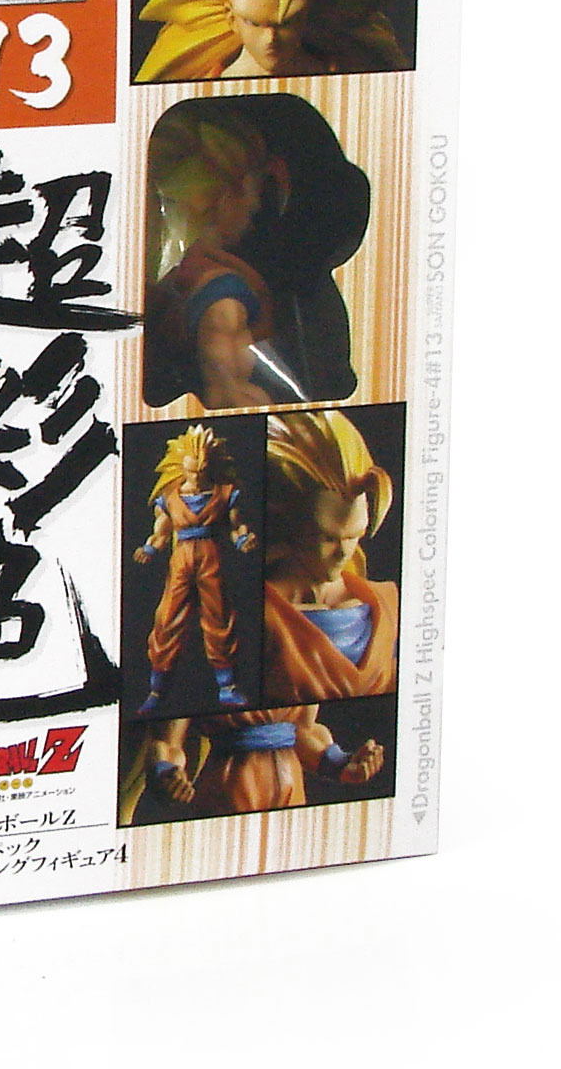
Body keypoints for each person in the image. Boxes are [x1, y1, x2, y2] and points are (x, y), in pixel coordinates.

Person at [138, 410, 396, 818]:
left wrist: (344, 764)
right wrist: (167, 772)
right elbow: (167, 739)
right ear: (291, 525)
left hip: (291, 794)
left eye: (355, 536)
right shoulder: (246, 613)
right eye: (327, 537)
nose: (343, 553)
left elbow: (305, 731)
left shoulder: (379, 605)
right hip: (227, 790)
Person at [142, 101, 307, 409]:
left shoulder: (186, 278)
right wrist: (234, 395)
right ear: (224, 193)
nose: (256, 205)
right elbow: (222, 349)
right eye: (253, 190)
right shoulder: (222, 288)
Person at [135, 0, 409, 82]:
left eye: (287, 23)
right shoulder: (204, 82)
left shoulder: (347, 74)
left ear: (308, 14)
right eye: (254, 23)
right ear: (230, 17)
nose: (270, 40)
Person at [133, 425, 258, 715]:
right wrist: (149, 549)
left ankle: (227, 687)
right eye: (192, 471)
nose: (197, 477)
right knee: (168, 619)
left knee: (218, 617)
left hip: (211, 557)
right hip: (181, 560)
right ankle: (157, 690)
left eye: (202, 471)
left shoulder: (225, 493)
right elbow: (161, 533)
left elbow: (236, 526)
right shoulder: (170, 498)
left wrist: (242, 540)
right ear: (182, 468)